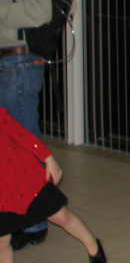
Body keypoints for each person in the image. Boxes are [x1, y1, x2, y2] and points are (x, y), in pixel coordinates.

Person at [0, 0, 52, 250]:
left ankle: (35, 224)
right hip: (8, 61)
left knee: (25, 146)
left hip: (18, 62)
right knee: (11, 148)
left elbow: (40, 10)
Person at [0, 107, 106, 263]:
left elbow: (23, 136)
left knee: (60, 215)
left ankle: (93, 247)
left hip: (24, 179)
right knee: (2, 240)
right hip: (2, 194)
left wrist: (48, 159)